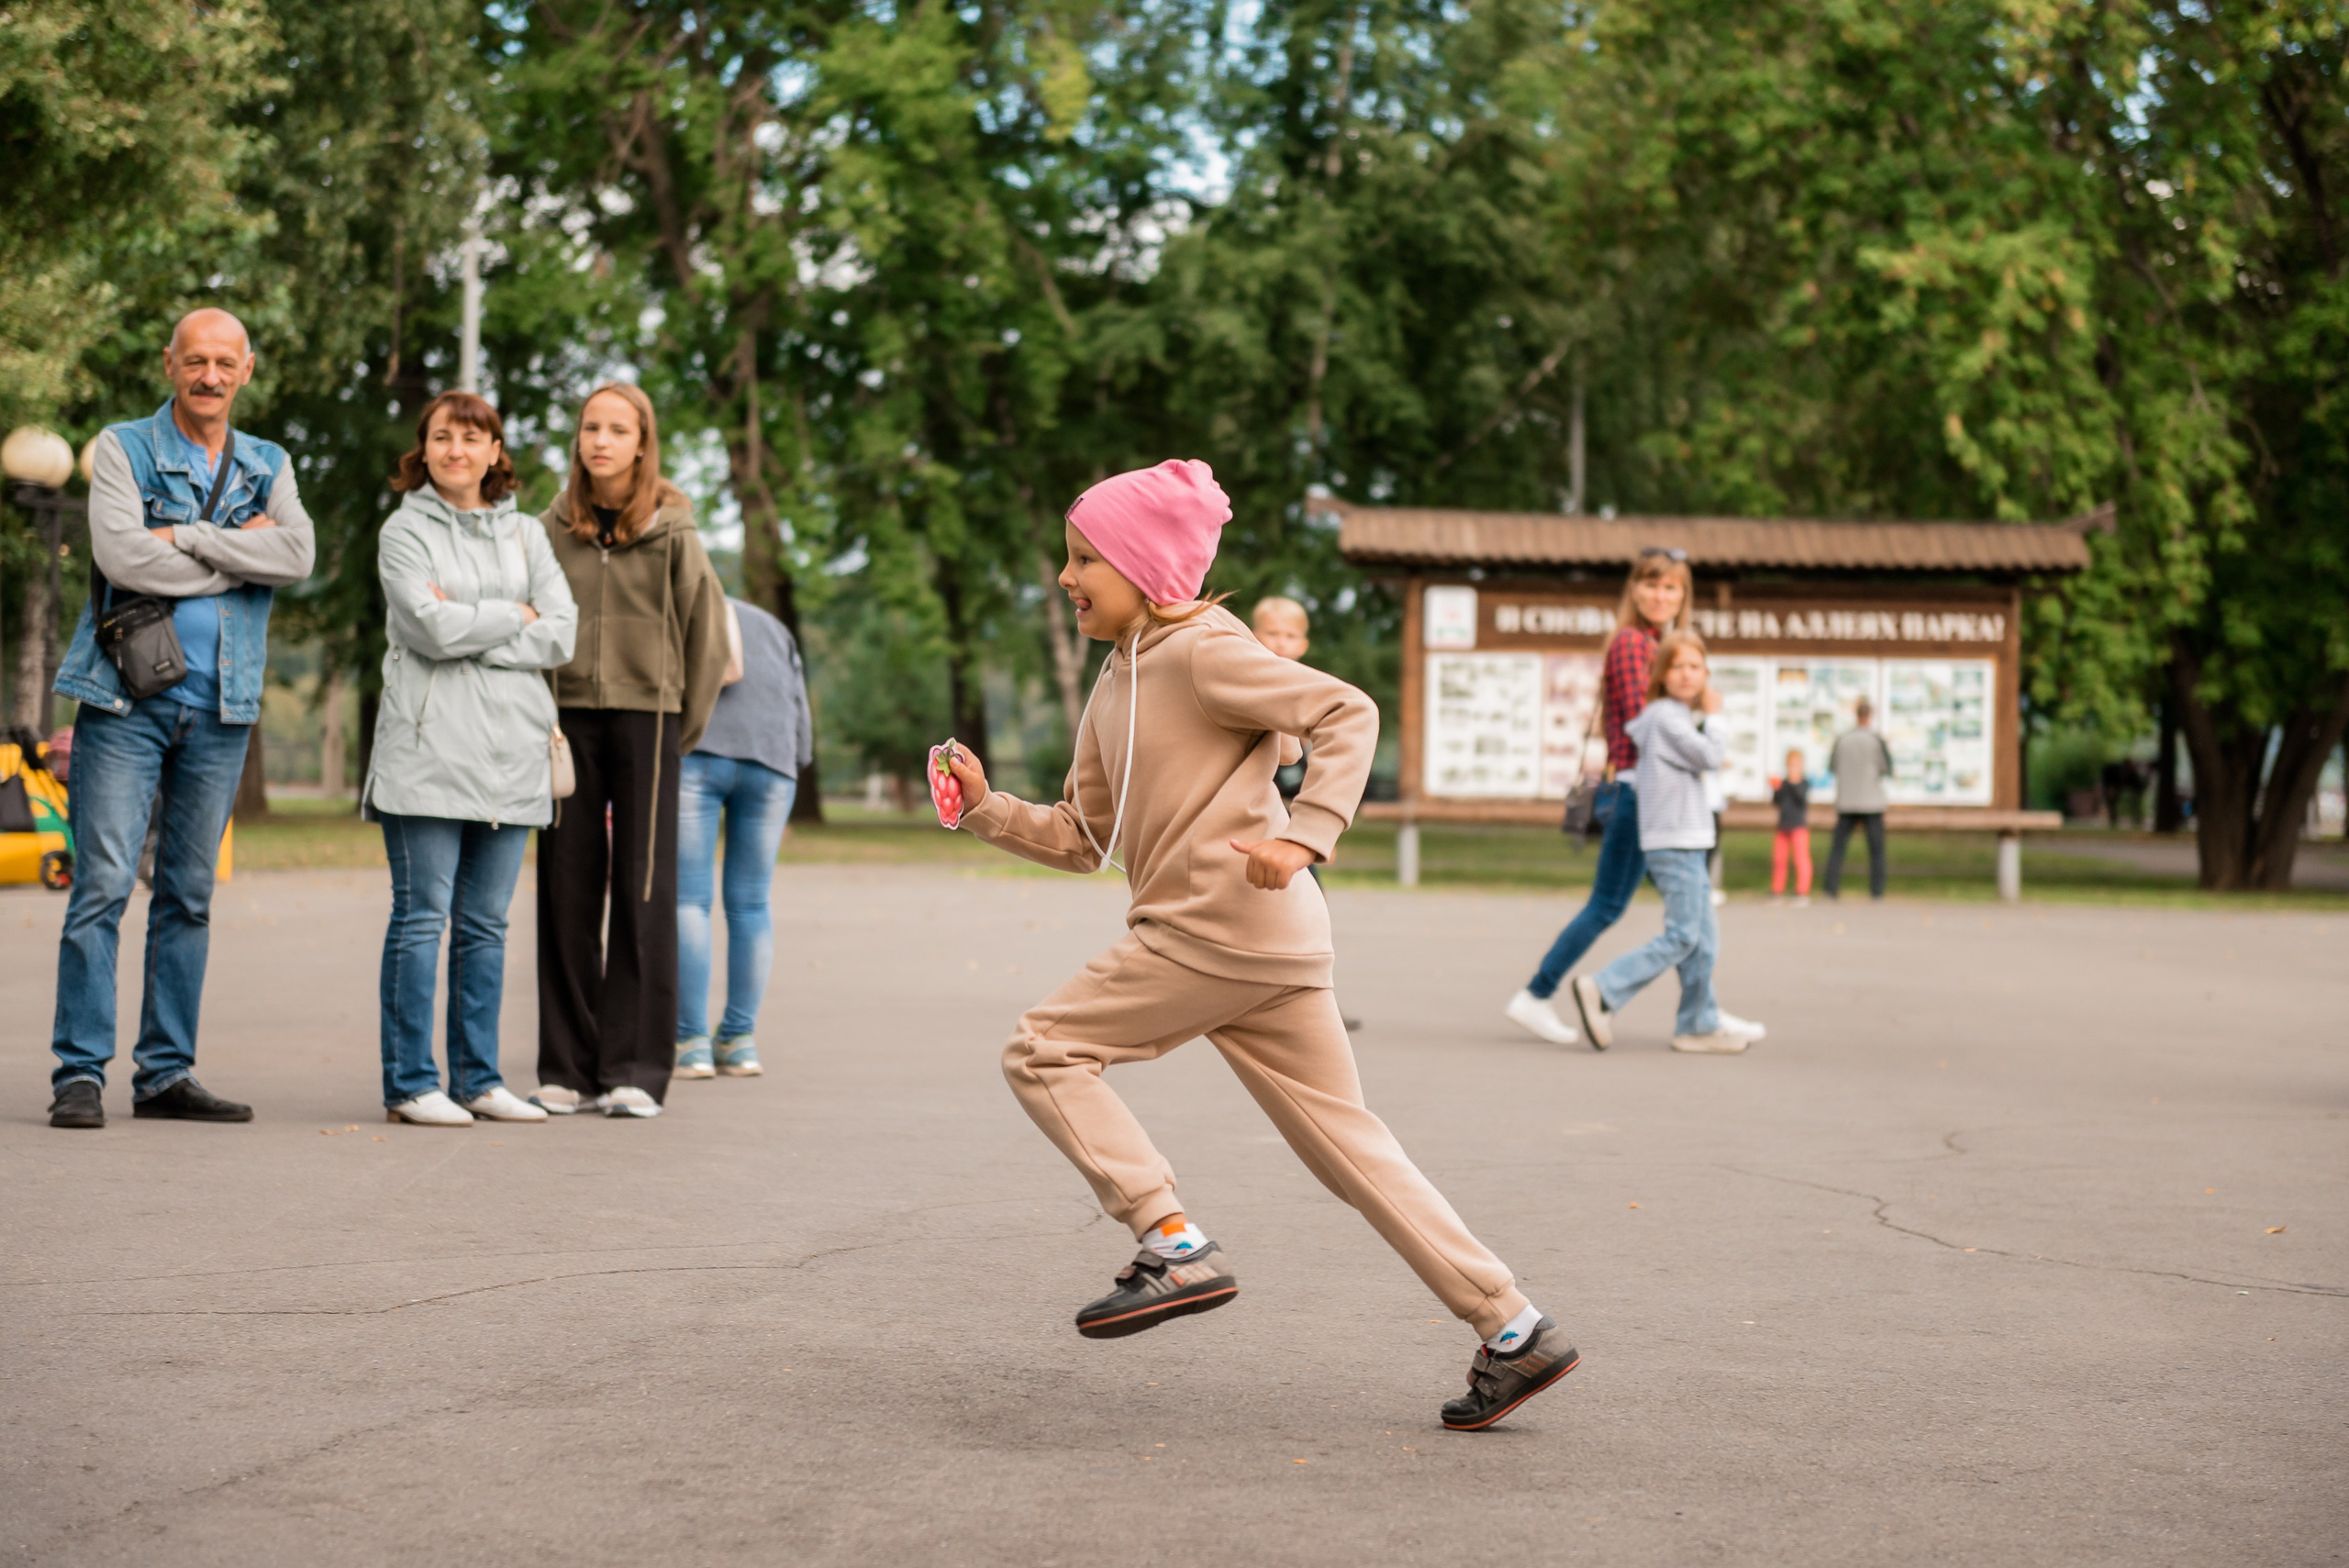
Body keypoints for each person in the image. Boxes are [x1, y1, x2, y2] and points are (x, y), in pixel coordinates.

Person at [941, 461, 1577, 1432]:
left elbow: (1344, 710)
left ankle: (1172, 1240)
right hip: (1268, 944)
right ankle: (1512, 1326)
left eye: (1085, 559)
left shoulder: (1200, 650)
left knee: (1044, 1048)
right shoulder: (1118, 678)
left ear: (1147, 567)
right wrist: (986, 809)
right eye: (1066, 557)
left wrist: (1304, 832)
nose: (1066, 577)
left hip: (1213, 925)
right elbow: (1083, 835)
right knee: (1349, 1150)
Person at [45, 308, 316, 1129]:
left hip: (222, 707)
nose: (209, 375)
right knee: (100, 885)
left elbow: (298, 555)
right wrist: (237, 553)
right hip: (124, 704)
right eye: (194, 360)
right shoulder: (124, 446)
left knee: (188, 895)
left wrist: (188, 539)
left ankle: (165, 1073)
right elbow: (123, 558)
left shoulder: (270, 461)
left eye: (223, 362)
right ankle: (79, 1073)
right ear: (170, 363)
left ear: (247, 369)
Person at [364, 392, 577, 1127]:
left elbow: (561, 633)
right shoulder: (402, 531)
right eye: (442, 437)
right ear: (422, 450)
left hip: (512, 755)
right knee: (423, 918)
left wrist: (468, 621)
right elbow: (425, 627)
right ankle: (412, 1083)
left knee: (486, 925)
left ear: (495, 453)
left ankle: (479, 1080)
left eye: (472, 437)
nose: (457, 449)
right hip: (426, 753)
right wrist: (510, 616)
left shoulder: (528, 536)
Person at [531, 384, 729, 1119]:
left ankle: (636, 1070)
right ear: (578, 438)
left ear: (642, 443)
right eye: (591, 427)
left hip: (650, 721)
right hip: (566, 721)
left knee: (645, 894)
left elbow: (705, 635)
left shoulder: (674, 531)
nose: (602, 440)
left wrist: (681, 727)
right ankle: (566, 1068)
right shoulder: (550, 529)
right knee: (565, 888)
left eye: (619, 429)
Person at [1501, 549, 1689, 1048]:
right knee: (1619, 905)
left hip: (1645, 788)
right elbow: (1639, 720)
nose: (1660, 595)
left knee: (1678, 909)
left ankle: (1701, 1011)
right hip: (1638, 788)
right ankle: (1538, 993)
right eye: (1651, 585)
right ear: (1634, 590)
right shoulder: (1632, 643)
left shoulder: (1658, 642)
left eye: (1671, 587)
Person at [1564, 633, 1765, 1055]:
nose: (1687, 674)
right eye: (1678, 666)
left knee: (1704, 938)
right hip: (1673, 840)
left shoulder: (1672, 718)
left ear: (1706, 674)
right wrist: (1717, 717)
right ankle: (1603, 989)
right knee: (1683, 935)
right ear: (1660, 675)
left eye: (1696, 667)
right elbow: (1709, 757)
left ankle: (1698, 1023)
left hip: (1687, 836)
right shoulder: (1663, 717)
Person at [673, 595, 814, 1081]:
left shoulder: (684, 610)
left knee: (689, 900)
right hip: (773, 764)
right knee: (751, 904)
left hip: (698, 754)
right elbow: (798, 700)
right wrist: (794, 760)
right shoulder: (771, 624)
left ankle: (689, 1041)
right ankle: (738, 1040)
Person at [1251, 595, 1363, 1031]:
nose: (1280, 642)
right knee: (1253, 918)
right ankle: (1255, 1002)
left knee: (1312, 916)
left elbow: (1324, 767)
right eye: (1272, 633)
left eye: (1290, 635)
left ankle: (1314, 1006)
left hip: (1297, 829)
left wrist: (1319, 832)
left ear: (1304, 643)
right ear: (1254, 635)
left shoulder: (1312, 688)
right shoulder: (1247, 682)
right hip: (1256, 823)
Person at [1823, 698, 1893, 900]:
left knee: (1838, 849)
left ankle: (1831, 889)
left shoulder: (1842, 739)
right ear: (1870, 716)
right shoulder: (1876, 740)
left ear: (1856, 715)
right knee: (1877, 850)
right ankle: (1877, 891)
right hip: (1871, 802)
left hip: (1846, 800)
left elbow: (1832, 767)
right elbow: (1886, 768)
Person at [1769, 749, 1812, 905]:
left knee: (1801, 859)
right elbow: (1776, 802)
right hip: (1783, 826)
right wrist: (1776, 788)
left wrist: (1794, 783)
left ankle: (1802, 891)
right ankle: (1777, 890)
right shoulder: (1783, 784)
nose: (1793, 768)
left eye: (1797, 765)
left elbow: (1801, 799)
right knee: (1779, 859)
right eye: (1791, 765)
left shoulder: (1803, 783)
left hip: (1799, 826)